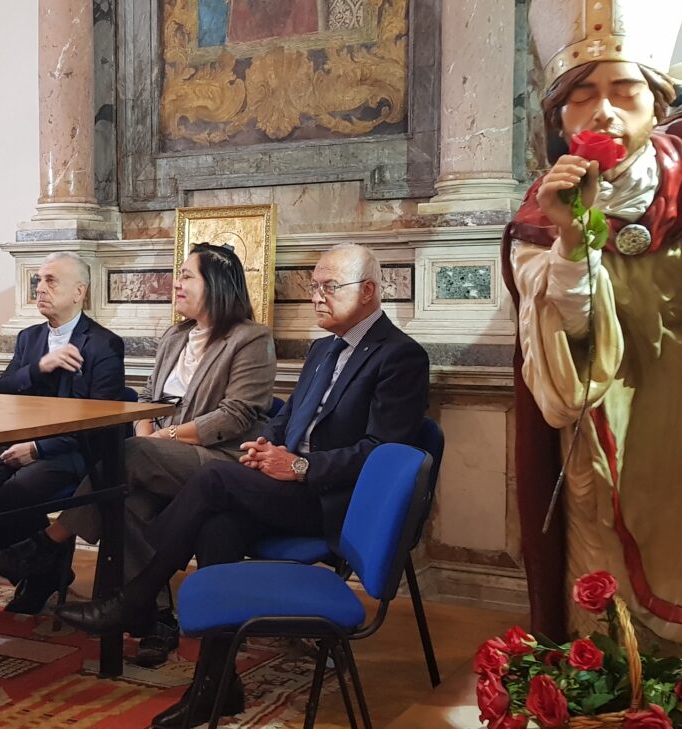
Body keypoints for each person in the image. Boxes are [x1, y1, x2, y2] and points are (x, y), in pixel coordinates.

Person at [505, 0, 682, 660]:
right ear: (559, 119)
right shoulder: (540, 219)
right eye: (581, 96)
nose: (603, 111)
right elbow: (568, 364)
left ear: (658, 105)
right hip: (600, 446)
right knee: (607, 620)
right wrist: (572, 238)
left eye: (624, 89)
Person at [53, 243, 429, 726]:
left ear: (369, 291)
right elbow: (286, 421)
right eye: (314, 286)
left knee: (212, 478)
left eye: (329, 287)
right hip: (287, 487)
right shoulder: (323, 349)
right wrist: (264, 448)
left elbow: (381, 453)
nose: (316, 296)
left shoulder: (400, 356)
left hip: (335, 501)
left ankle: (135, 596)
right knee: (218, 527)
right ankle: (216, 686)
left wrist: (300, 466)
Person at [0, 243, 276, 659]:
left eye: (186, 275)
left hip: (221, 460)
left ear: (216, 284)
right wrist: (146, 431)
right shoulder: (175, 336)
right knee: (128, 501)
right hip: (158, 455)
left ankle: (48, 543)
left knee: (129, 456)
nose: (176, 284)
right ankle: (155, 619)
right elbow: (148, 397)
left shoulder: (250, 338)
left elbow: (236, 416)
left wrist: (161, 439)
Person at [0, 251, 126, 613]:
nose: (40, 288)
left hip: (74, 450)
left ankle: (40, 570)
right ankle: (44, 570)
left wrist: (37, 447)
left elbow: (100, 421)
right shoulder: (29, 339)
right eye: (38, 280)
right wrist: (39, 367)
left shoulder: (103, 344)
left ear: (79, 292)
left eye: (51, 280)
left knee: (17, 491)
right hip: (18, 440)